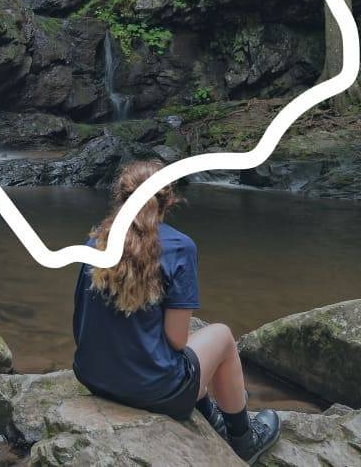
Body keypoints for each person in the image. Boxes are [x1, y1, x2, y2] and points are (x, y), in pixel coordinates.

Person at [72, 159, 280, 464]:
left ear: (121, 196)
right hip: (150, 392)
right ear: (169, 199)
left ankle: (209, 414)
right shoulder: (180, 247)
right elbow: (177, 341)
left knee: (174, 344)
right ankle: (243, 438)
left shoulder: (95, 240)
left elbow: (81, 323)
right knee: (220, 336)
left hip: (92, 375)